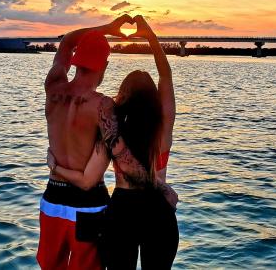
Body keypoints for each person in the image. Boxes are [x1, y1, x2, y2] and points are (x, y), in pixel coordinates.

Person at [48, 15, 179, 269]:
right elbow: (166, 76)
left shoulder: (113, 128)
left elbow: (87, 178)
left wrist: (56, 167)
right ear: (154, 98)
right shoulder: (164, 126)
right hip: (158, 209)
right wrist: (150, 35)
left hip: (122, 210)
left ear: (124, 96)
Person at [37, 15, 133, 270]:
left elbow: (68, 41)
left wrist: (107, 28)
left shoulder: (53, 88)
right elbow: (116, 157)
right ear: (105, 65)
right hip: (89, 205)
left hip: (53, 201)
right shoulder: (103, 105)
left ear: (75, 61)